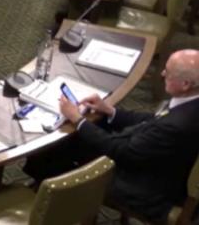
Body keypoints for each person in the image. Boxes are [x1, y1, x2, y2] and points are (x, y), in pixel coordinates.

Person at [23, 49, 199, 222]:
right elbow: (152, 119)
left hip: (145, 187)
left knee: (56, 154)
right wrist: (110, 111)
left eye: (168, 73)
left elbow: (121, 151)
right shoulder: (190, 102)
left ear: (185, 84)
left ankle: (47, 207)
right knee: (88, 130)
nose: (161, 73)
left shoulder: (177, 125)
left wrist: (78, 119)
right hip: (153, 159)